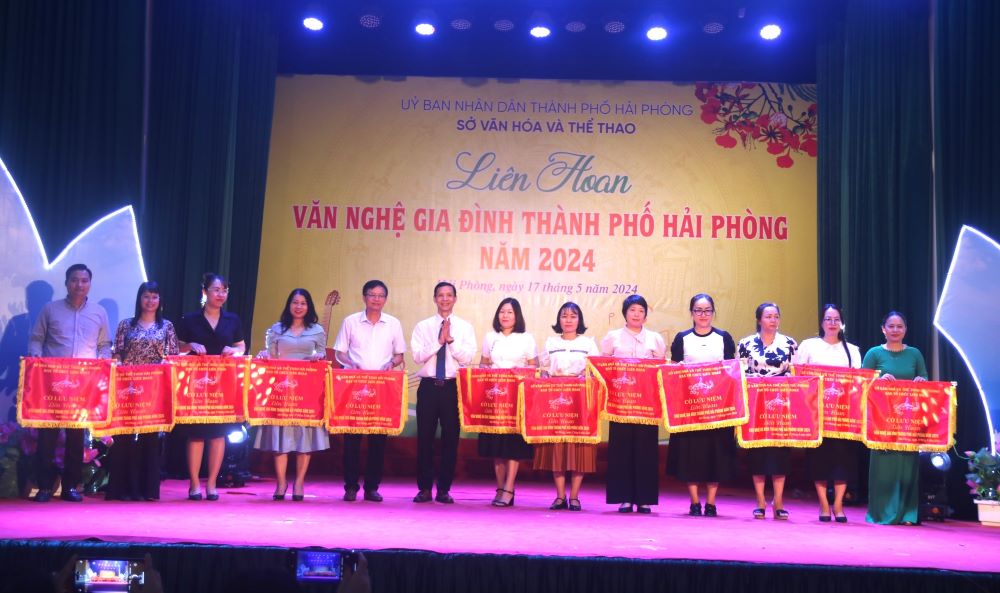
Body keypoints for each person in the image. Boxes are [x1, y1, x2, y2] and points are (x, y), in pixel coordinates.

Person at [28, 263, 112, 502]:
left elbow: (104, 344)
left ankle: (70, 487)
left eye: (84, 281)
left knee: (76, 439)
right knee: (47, 438)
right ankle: (45, 487)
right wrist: (36, 359)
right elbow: (37, 339)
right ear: (66, 283)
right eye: (75, 280)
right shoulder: (50, 309)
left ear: (90, 284)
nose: (79, 285)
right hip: (53, 384)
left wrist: (103, 361)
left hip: (82, 387)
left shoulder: (98, 312)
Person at [174, 272, 246, 501]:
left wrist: (233, 351)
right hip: (196, 386)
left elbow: (241, 347)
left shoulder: (232, 319)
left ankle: (212, 483)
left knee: (218, 435)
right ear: (205, 292)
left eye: (224, 290)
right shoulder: (190, 319)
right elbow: (176, 347)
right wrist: (190, 346)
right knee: (196, 435)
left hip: (222, 387)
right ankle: (195, 484)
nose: (221, 294)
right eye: (216, 290)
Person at [253, 288, 330, 501]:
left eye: (303, 303)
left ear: (308, 306)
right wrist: (264, 355)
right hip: (281, 390)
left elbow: (322, 356)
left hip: (306, 392)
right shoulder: (276, 329)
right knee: (281, 438)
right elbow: (271, 357)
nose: (298, 306)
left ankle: (299, 482)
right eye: (295, 302)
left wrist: (318, 357)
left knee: (305, 439)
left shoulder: (317, 330)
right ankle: (281, 483)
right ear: (289, 305)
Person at [333, 280, 406, 502]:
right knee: (352, 440)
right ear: (364, 297)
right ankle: (350, 487)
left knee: (378, 440)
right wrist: (350, 362)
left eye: (380, 295)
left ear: (385, 299)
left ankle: (372, 487)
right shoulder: (350, 322)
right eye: (372, 295)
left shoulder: (393, 324)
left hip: (381, 388)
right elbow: (339, 352)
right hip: (355, 387)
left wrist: (391, 364)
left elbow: (399, 355)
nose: (376, 299)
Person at [106, 281, 179, 501]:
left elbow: (173, 356)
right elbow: (117, 353)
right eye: (146, 296)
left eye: (155, 297)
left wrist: (164, 367)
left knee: (150, 438)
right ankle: (121, 489)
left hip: (153, 390)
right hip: (127, 388)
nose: (150, 301)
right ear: (139, 299)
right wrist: (118, 364)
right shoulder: (125, 325)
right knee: (124, 437)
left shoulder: (167, 326)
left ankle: (147, 490)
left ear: (160, 300)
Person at [667, 293, 737, 517]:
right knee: (691, 456)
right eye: (698, 310)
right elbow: (674, 373)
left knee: (715, 455)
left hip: (718, 409)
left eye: (707, 310)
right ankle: (695, 501)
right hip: (690, 409)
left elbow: (731, 371)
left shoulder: (724, 337)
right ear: (692, 313)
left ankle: (712, 502)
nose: (703, 315)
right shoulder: (682, 338)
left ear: (713, 312)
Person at [794, 303, 862, 522]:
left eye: (836, 320)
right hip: (817, 415)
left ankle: (839, 504)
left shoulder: (852, 350)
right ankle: (824, 504)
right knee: (819, 460)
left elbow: (858, 383)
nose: (832, 324)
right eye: (828, 319)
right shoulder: (809, 346)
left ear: (842, 323)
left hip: (843, 415)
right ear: (821, 322)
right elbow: (799, 376)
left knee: (843, 460)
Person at [410, 281, 476, 504]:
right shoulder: (423, 326)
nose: (445, 299)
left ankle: (444, 489)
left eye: (449, 295)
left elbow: (467, 357)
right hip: (428, 387)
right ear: (434, 298)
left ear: (455, 299)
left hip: (452, 387)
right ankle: (424, 488)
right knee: (424, 439)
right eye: (441, 295)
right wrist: (439, 342)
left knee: (451, 439)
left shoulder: (465, 327)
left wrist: (451, 342)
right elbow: (417, 356)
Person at [600, 294, 666, 514]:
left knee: (646, 451)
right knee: (621, 450)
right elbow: (604, 367)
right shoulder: (613, 337)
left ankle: (644, 499)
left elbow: (661, 369)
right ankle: (625, 498)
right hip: (621, 404)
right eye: (632, 310)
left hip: (647, 405)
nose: (637, 314)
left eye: (641, 310)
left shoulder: (655, 338)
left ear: (645, 315)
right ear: (625, 313)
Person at [862, 311, 928, 525]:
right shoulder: (873, 353)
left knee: (907, 469)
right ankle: (881, 514)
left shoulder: (915, 354)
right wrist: (879, 380)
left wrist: (921, 381)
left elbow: (925, 380)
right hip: (881, 423)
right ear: (883, 329)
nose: (895, 330)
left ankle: (908, 514)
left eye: (899, 326)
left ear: (905, 329)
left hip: (908, 422)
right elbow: (862, 384)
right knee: (884, 470)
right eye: (891, 326)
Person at [534, 302, 600, 512]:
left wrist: (585, 376)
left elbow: (596, 371)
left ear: (579, 320)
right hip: (555, 401)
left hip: (580, 402)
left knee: (579, 448)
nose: (568, 320)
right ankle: (560, 496)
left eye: (573, 316)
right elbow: (542, 370)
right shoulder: (551, 342)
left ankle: (575, 496)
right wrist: (546, 375)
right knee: (558, 448)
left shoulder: (588, 344)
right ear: (559, 319)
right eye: (564, 316)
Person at [737, 301, 797, 520]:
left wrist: (782, 381)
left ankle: (778, 502)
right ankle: (760, 502)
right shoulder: (745, 343)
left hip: (781, 406)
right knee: (758, 453)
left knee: (780, 454)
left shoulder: (789, 343)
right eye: (768, 316)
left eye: (776, 316)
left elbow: (796, 372)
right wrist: (755, 379)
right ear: (759, 320)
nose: (773, 320)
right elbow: (740, 373)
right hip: (757, 404)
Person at [478, 297, 537, 507]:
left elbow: (534, 368)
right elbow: (483, 365)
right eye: (502, 311)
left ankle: (509, 489)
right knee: (497, 447)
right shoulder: (490, 337)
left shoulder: (526, 338)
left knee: (513, 446)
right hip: (495, 401)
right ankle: (500, 487)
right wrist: (486, 370)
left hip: (516, 399)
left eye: (510, 312)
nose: (505, 315)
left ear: (517, 315)